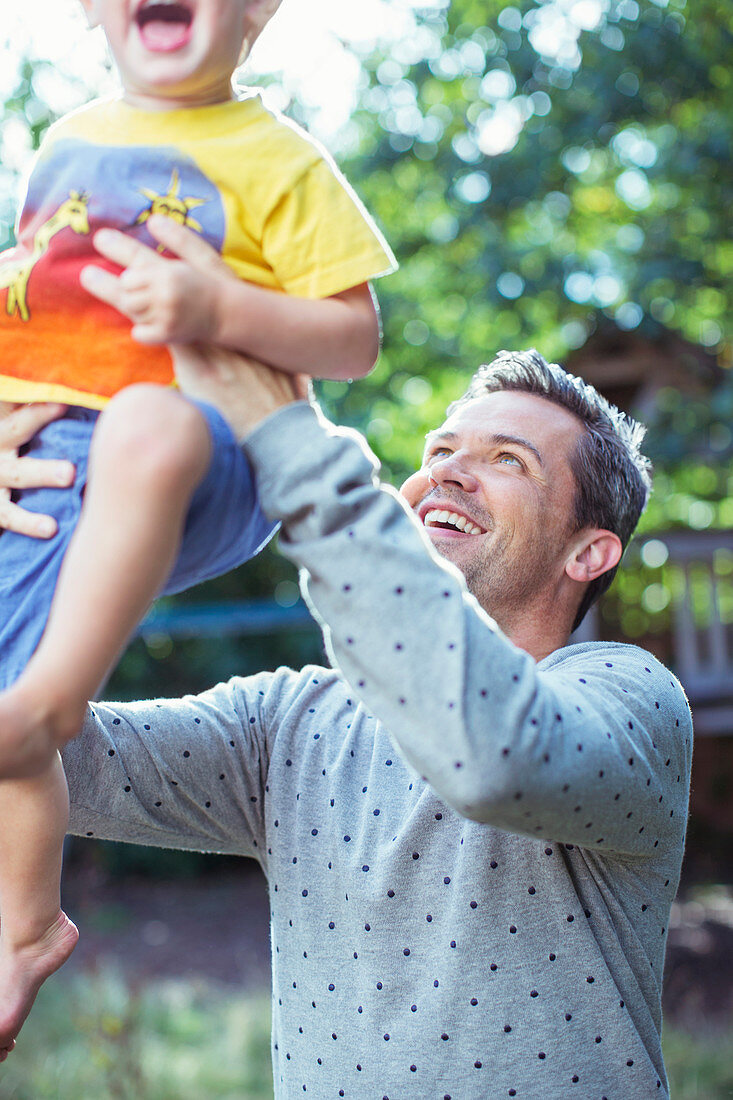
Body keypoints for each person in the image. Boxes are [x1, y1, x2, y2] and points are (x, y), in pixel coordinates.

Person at [0, 340, 692, 1096]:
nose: (447, 472)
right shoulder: (291, 722)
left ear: (588, 553)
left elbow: (491, 760)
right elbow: (42, 743)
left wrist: (293, 443)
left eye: (508, 461)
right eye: (441, 449)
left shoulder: (630, 697)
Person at [0, 0, 395, 1055]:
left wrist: (218, 309)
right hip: (45, 474)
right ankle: (24, 925)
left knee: (143, 422)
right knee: (2, 714)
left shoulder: (275, 154)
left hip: (202, 447)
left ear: (257, 11)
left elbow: (354, 335)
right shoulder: (62, 144)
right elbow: (33, 311)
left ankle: (49, 700)